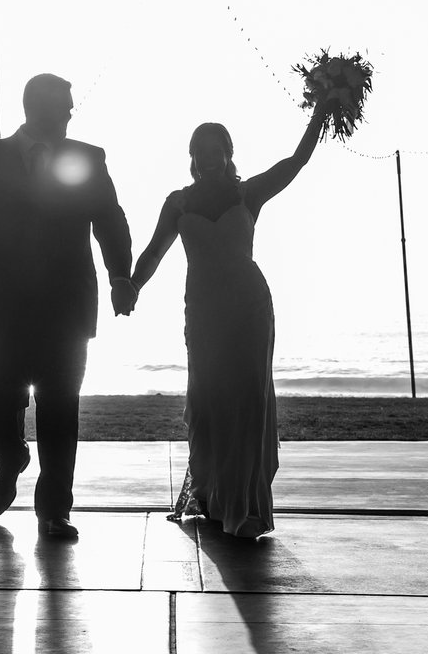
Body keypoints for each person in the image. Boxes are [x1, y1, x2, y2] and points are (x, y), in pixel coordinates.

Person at [0, 72, 136, 540]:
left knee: (60, 411)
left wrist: (120, 276)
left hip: (65, 308)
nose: (70, 112)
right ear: (37, 107)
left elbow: (110, 220)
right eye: (63, 104)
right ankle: (10, 456)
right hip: (1, 305)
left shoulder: (87, 158)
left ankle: (54, 511)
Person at [128, 104, 328, 538]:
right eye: (200, 151)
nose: (208, 158)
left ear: (228, 153)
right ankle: (215, 501)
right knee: (210, 404)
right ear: (192, 157)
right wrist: (132, 286)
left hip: (249, 308)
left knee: (248, 403)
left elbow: (295, 162)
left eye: (215, 150)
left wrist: (322, 110)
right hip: (204, 313)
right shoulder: (178, 202)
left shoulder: (248, 194)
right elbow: (154, 252)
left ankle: (248, 509)